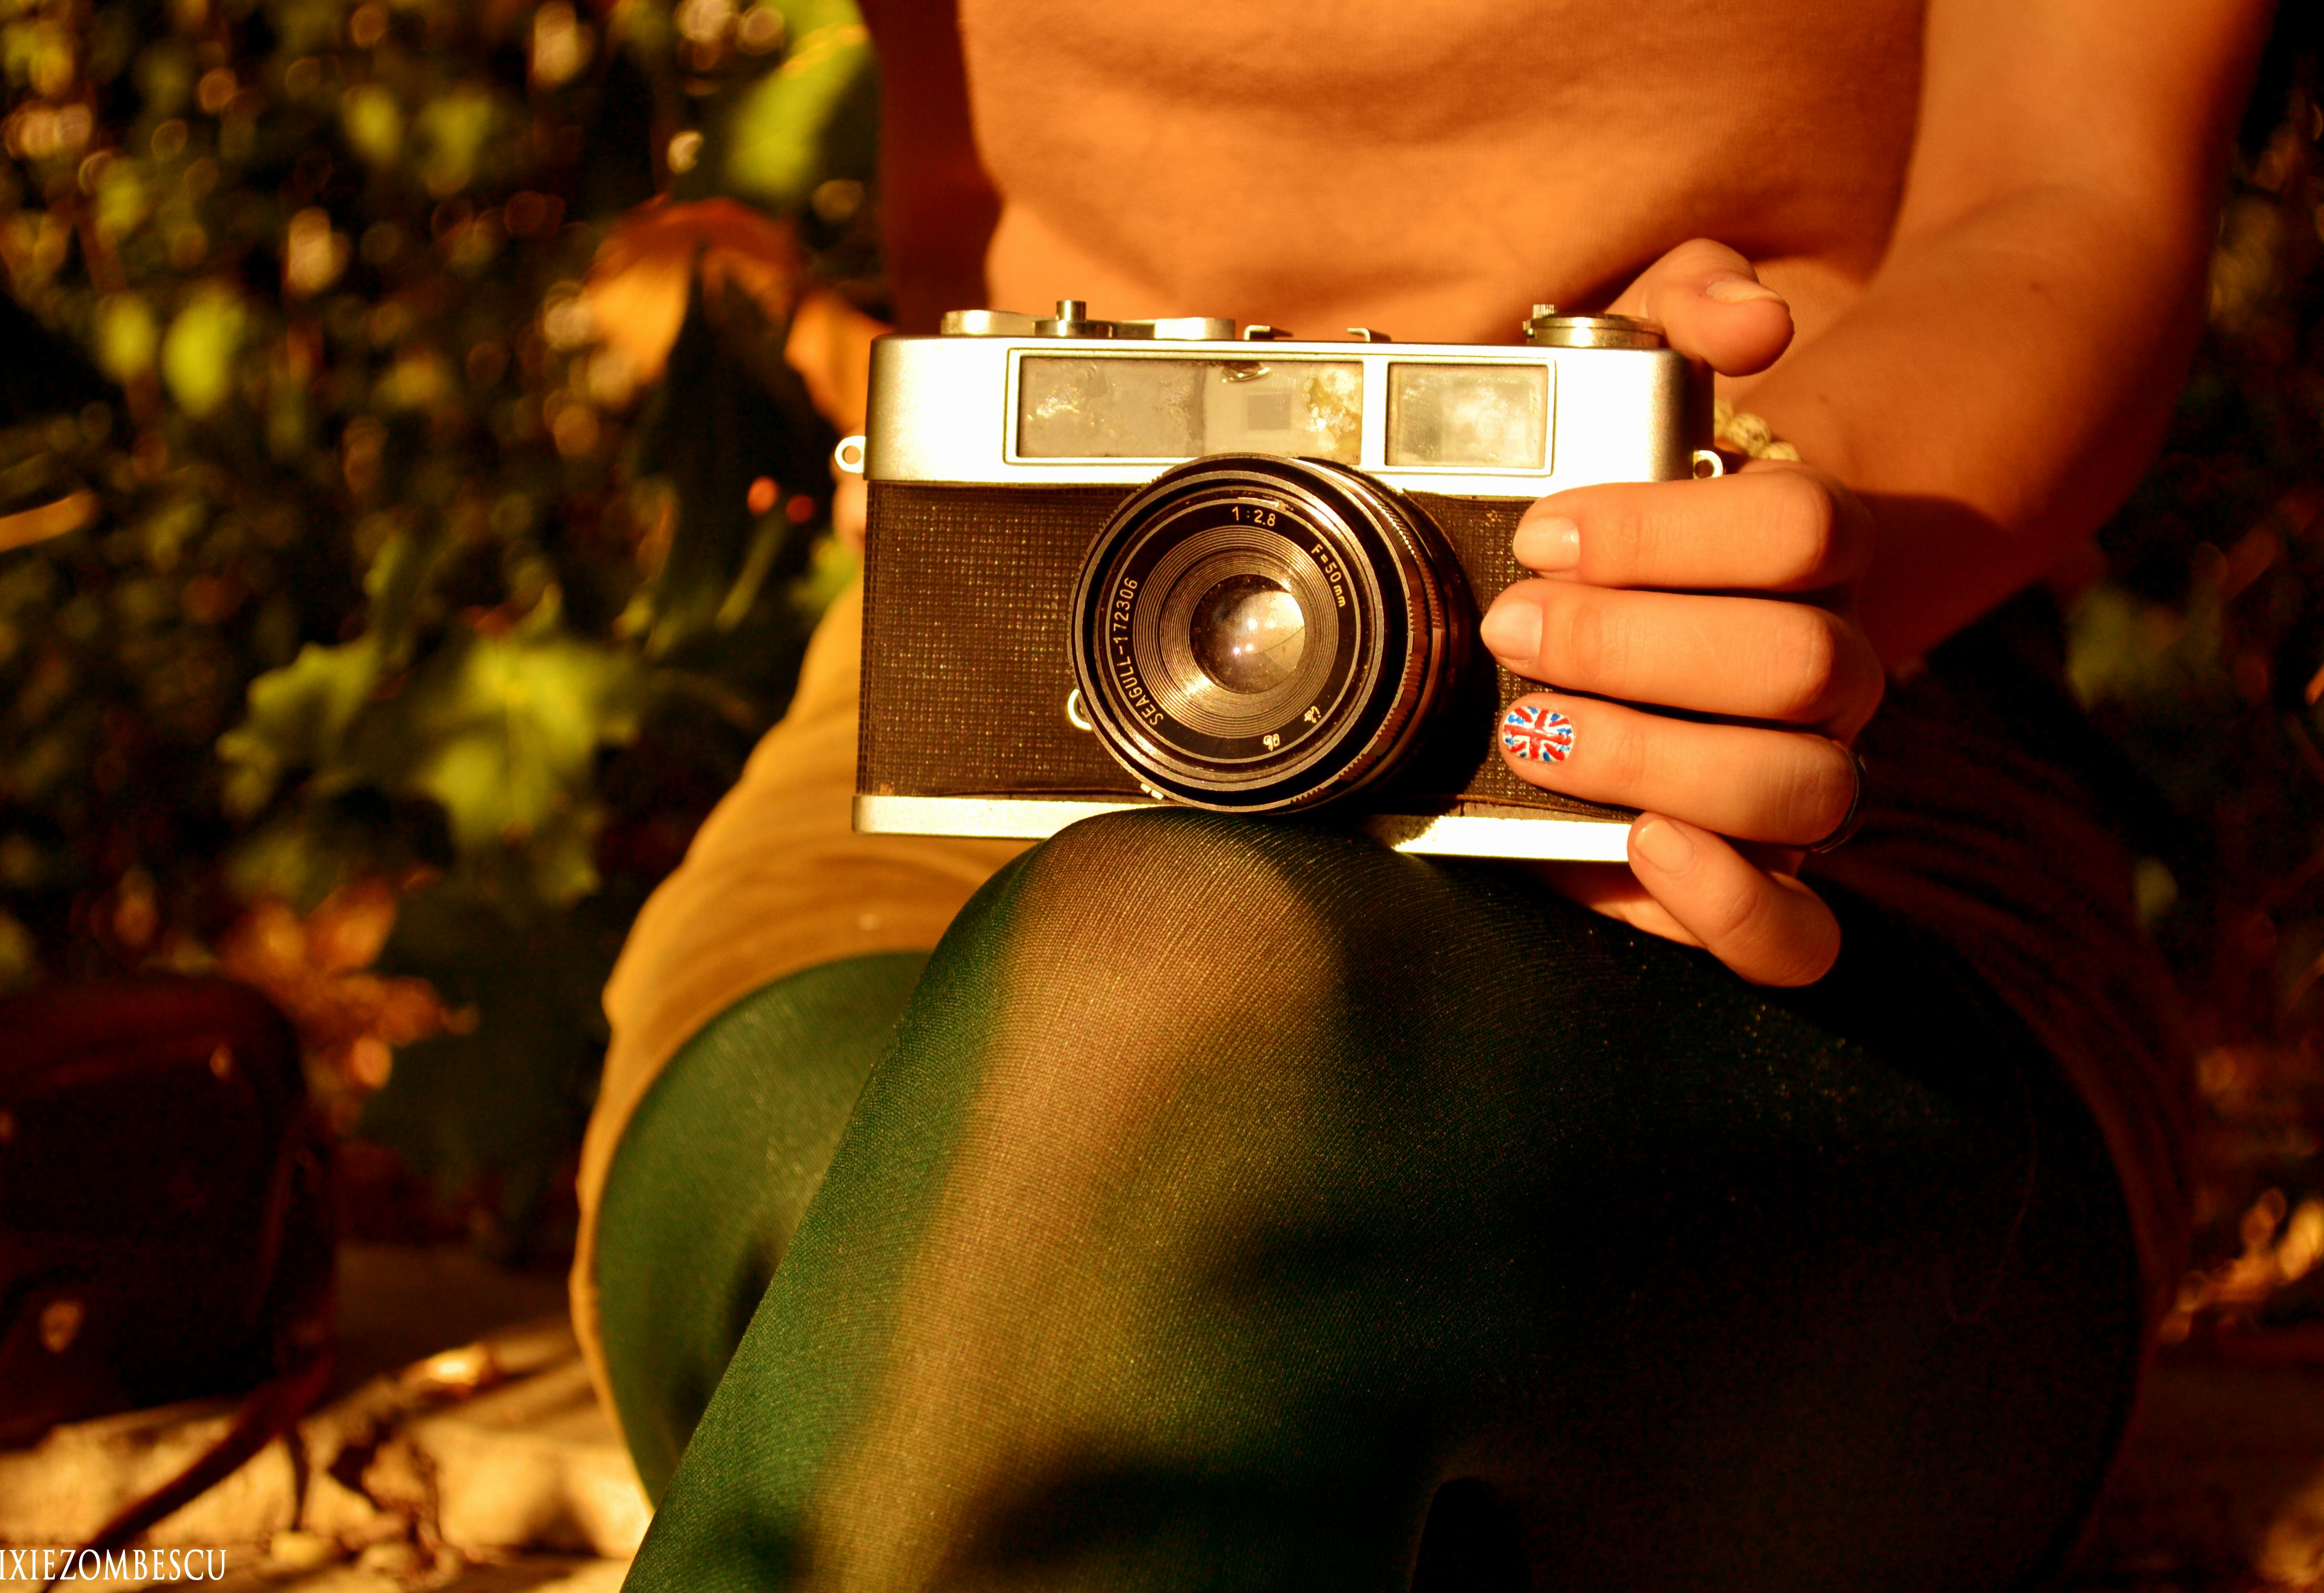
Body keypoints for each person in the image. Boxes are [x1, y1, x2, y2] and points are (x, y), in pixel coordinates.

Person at [573, 0, 2276, 1585]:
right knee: (1060, 1196)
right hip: (995, 739)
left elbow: (2070, 190)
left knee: (1121, 1156)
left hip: (1807, 733)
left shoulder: (1778, 606)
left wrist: (1722, 535)